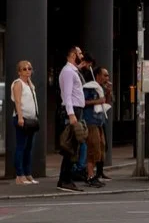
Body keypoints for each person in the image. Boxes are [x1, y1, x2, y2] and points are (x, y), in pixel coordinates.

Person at [57, 46, 86, 192]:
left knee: (73, 146)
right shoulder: (68, 72)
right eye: (80, 53)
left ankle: (65, 179)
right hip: (72, 110)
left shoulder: (72, 71)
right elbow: (67, 95)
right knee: (70, 145)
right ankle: (65, 179)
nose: (82, 55)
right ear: (73, 55)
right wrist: (71, 114)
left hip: (76, 109)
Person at [11, 60, 40, 185]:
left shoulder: (29, 84)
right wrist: (20, 117)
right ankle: (19, 175)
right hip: (22, 119)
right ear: (19, 71)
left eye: (29, 68)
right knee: (21, 147)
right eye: (24, 69)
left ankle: (28, 174)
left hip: (31, 120)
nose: (28, 71)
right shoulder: (18, 83)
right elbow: (17, 101)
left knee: (29, 148)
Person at [82, 68, 107, 188]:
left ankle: (95, 174)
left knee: (100, 148)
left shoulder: (100, 88)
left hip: (99, 121)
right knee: (93, 147)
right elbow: (83, 102)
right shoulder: (89, 87)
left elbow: (105, 102)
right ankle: (90, 175)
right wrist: (98, 101)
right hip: (91, 121)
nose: (107, 78)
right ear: (97, 75)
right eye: (105, 75)